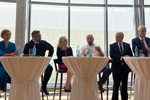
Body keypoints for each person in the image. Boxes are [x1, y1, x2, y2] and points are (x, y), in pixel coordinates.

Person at [23, 30, 53, 95]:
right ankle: (29, 87)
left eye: (40, 36)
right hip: (31, 64)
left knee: (49, 68)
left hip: (42, 63)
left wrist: (48, 58)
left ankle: (44, 86)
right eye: (38, 36)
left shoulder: (43, 43)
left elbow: (51, 48)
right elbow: (25, 55)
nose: (40, 37)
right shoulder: (28, 44)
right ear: (33, 37)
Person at [110, 32, 133, 100]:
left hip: (125, 68)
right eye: (116, 36)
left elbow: (131, 55)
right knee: (116, 85)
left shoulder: (127, 45)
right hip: (116, 68)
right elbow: (112, 55)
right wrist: (121, 57)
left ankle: (125, 98)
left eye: (118, 37)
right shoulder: (112, 45)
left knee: (124, 85)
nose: (116, 38)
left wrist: (127, 56)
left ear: (122, 37)